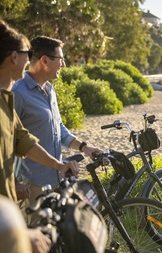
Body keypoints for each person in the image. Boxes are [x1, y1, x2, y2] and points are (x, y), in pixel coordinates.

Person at [1, 19, 78, 253]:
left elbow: (25, 141)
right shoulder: (15, 95)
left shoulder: (7, 99)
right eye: (27, 53)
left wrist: (59, 165)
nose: (29, 58)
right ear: (15, 56)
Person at [12, 36, 100, 224]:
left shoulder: (50, 89)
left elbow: (59, 129)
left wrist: (84, 147)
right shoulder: (17, 92)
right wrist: (15, 181)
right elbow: (9, 141)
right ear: (45, 61)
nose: (63, 64)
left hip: (56, 178)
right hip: (30, 185)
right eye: (60, 59)